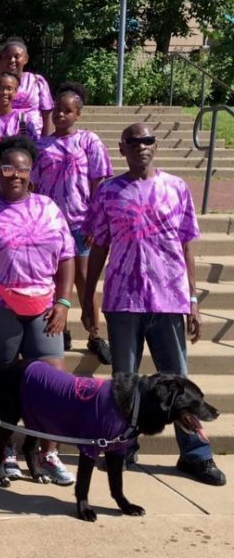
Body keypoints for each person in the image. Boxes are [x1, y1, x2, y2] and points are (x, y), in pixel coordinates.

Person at [83, 123, 226, 487]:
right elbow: (99, 244)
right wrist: (87, 297)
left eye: (147, 140)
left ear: (155, 145)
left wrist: (192, 299)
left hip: (168, 296)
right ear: (123, 147)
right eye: (134, 141)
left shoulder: (176, 188)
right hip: (123, 298)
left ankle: (195, 453)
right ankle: (124, 447)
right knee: (125, 381)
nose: (141, 147)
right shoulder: (108, 192)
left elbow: (186, 246)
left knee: (179, 380)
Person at [0, 135, 76, 485]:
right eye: (8, 167)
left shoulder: (48, 207)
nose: (15, 175)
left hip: (44, 306)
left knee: (52, 381)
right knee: (3, 382)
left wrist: (65, 302)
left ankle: (46, 450)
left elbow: (66, 256)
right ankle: (5, 448)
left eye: (22, 168)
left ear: (31, 171)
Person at [33, 82, 112, 362]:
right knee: (55, 279)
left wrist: (94, 221)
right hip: (51, 226)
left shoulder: (89, 141)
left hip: (81, 223)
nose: (61, 115)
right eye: (57, 110)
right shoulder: (41, 146)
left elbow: (99, 183)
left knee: (84, 279)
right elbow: (33, 185)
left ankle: (94, 333)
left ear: (78, 114)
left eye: (68, 111)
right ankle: (61, 329)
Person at [0, 38, 53, 136]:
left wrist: (45, 142)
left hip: (33, 137)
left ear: (26, 59)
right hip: (0, 136)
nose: (12, 60)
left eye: (17, 56)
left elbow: (47, 114)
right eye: (8, 57)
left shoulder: (36, 82)